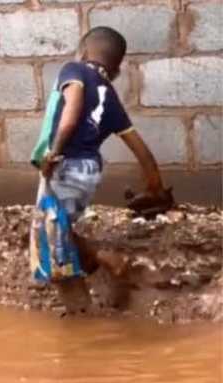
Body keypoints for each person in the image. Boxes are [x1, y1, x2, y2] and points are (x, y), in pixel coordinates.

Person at [30, 26, 173, 312]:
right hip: (89, 170)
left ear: (83, 51)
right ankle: (85, 290)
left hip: (65, 164)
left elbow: (71, 113)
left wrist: (52, 154)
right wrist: (155, 188)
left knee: (49, 239)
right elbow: (141, 149)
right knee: (58, 231)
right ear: (117, 69)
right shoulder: (110, 97)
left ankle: (99, 266)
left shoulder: (74, 70)